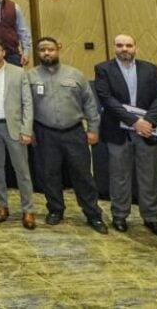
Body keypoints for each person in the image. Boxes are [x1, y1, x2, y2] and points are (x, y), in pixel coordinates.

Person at [29, 37, 107, 233]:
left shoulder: (75, 74)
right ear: (38, 53)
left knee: (82, 174)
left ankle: (93, 214)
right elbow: (25, 107)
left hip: (74, 132)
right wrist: (28, 131)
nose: (46, 53)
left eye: (50, 49)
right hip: (45, 133)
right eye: (42, 50)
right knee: (49, 174)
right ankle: (55, 209)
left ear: (59, 49)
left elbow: (90, 104)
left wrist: (93, 129)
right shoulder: (30, 76)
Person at [94, 34, 157, 237]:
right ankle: (119, 215)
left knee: (149, 176)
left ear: (136, 47)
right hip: (118, 131)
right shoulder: (103, 69)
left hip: (147, 131)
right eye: (120, 45)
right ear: (114, 48)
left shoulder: (150, 69)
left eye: (128, 45)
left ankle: (151, 217)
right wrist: (134, 121)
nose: (124, 49)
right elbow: (107, 99)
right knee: (119, 175)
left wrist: (148, 121)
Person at [0, 38, 36, 229]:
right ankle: (2, 205)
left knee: (22, 170)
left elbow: (27, 103)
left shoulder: (18, 72)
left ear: (4, 52)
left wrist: (26, 130)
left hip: (14, 127)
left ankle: (28, 209)